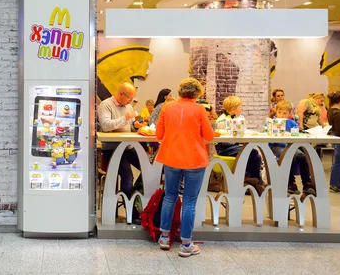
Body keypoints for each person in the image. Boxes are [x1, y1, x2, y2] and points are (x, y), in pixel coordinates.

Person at [155, 78, 214, 257]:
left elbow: (159, 134)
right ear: (197, 94)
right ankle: (186, 244)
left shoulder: (167, 107)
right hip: (194, 159)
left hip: (171, 157)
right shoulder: (199, 109)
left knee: (170, 196)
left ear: (180, 92)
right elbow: (209, 136)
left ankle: (164, 237)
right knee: (189, 201)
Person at [97, 82, 147, 222]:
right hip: (112, 148)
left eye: (132, 99)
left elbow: (129, 126)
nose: (131, 101)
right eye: (129, 98)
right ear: (120, 94)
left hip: (128, 147)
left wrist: (136, 126)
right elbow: (106, 126)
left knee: (148, 169)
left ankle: (136, 199)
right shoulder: (106, 105)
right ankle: (131, 212)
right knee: (128, 176)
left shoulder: (128, 106)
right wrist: (125, 118)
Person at [215, 96, 266, 194]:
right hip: (224, 148)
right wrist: (238, 140)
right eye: (240, 106)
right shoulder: (222, 121)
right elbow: (225, 140)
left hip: (234, 145)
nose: (241, 108)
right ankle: (253, 179)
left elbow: (242, 131)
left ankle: (253, 179)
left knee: (255, 154)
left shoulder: (239, 118)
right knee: (252, 152)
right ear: (232, 109)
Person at [268, 100, 315, 196]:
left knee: (302, 156)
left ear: (289, 114)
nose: (281, 115)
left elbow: (296, 135)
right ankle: (291, 183)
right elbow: (267, 135)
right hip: (276, 146)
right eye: (279, 112)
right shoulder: (271, 123)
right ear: (276, 112)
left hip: (289, 146)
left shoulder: (292, 123)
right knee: (288, 156)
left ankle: (307, 183)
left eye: (284, 113)